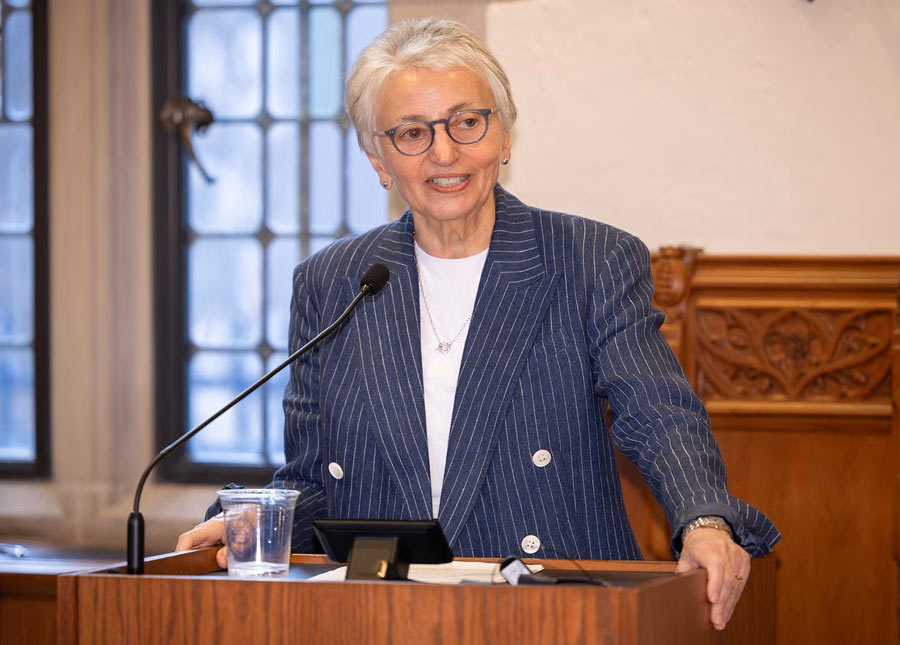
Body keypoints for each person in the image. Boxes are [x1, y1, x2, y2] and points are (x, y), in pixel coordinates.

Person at [177, 18, 780, 630]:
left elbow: (656, 411)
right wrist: (261, 522)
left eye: (467, 122)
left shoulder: (589, 259)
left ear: (505, 134)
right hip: (383, 611)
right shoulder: (333, 282)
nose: (445, 152)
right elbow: (317, 473)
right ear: (378, 159)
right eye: (412, 132)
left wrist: (704, 521)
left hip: (560, 609)